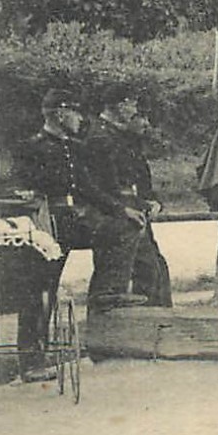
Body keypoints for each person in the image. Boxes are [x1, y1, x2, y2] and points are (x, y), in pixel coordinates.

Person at [12, 90, 145, 366]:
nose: (80, 118)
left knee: (123, 230)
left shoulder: (75, 147)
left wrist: (122, 210)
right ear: (60, 114)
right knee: (42, 285)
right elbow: (20, 188)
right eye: (75, 112)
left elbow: (90, 189)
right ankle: (31, 358)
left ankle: (104, 304)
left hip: (78, 220)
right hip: (48, 224)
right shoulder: (30, 148)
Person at [83, 87, 172, 306]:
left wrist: (146, 201)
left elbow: (137, 176)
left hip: (130, 206)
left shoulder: (121, 135)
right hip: (113, 210)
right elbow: (101, 184)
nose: (134, 110)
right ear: (119, 105)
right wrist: (124, 207)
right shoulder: (99, 136)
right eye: (131, 104)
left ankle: (151, 323)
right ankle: (109, 327)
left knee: (150, 268)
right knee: (114, 272)